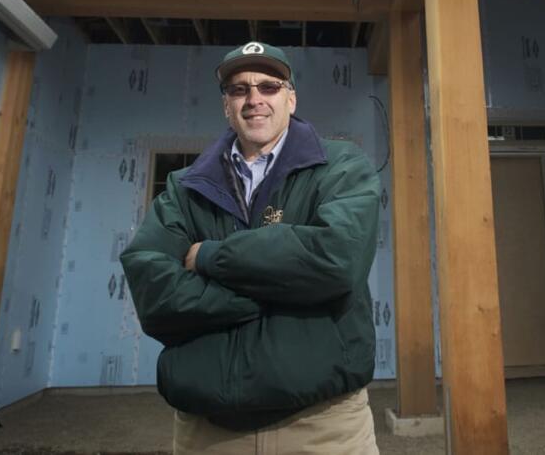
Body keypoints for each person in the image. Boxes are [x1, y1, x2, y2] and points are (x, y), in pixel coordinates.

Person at [121, 41, 382, 454]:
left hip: (322, 426)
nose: (254, 99)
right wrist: (275, 292)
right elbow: (153, 290)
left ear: (290, 99)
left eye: (269, 86)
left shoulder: (342, 167)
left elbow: (336, 260)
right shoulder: (184, 187)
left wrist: (209, 256)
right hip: (208, 432)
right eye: (239, 89)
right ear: (226, 105)